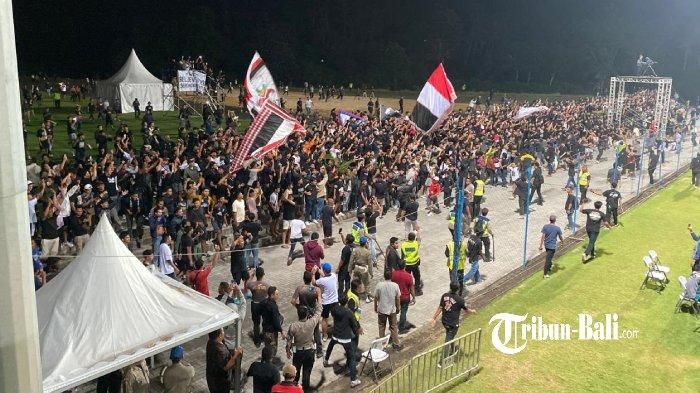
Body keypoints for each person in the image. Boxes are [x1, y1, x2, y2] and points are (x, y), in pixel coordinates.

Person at [430, 282, 476, 366]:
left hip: (444, 321)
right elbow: (466, 310)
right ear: (458, 289)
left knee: (450, 336)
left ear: (450, 287)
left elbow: (440, 308)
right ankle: (441, 362)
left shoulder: (444, 296)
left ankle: (453, 349)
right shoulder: (460, 300)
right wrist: (472, 311)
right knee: (448, 340)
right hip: (453, 324)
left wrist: (434, 318)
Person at [286, 288, 323, 390]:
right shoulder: (311, 323)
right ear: (307, 315)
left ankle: (294, 390)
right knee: (306, 375)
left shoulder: (293, 326)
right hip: (309, 352)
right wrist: (319, 296)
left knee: (295, 374)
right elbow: (319, 311)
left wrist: (287, 350)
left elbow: (289, 339)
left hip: (298, 352)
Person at [323, 293, 362, 388]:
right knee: (352, 358)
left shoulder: (334, 309)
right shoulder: (349, 312)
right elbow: (354, 325)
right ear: (347, 301)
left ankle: (326, 360)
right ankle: (353, 379)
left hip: (336, 334)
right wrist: (357, 331)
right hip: (345, 337)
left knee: (330, 346)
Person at [206, 328, 243, 393]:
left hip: (212, 376)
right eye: (223, 331)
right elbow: (225, 367)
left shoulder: (211, 342)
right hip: (219, 382)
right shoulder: (219, 350)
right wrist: (235, 356)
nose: (224, 332)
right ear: (219, 335)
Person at [374, 270, 402, 349]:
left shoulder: (379, 285)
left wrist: (375, 307)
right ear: (391, 276)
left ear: (384, 276)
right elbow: (397, 298)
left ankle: (382, 346)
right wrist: (398, 307)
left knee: (381, 327)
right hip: (392, 310)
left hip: (382, 309)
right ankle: (396, 343)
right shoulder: (395, 285)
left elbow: (375, 297)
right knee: (394, 327)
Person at [315, 262, 339, 341]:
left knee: (325, 319)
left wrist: (313, 274)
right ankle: (337, 332)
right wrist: (319, 270)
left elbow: (313, 282)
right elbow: (325, 275)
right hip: (335, 301)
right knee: (336, 317)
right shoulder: (333, 276)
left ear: (324, 270)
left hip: (326, 303)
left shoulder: (321, 281)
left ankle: (325, 335)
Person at [246, 267, 270, 347]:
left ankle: (257, 341)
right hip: (264, 305)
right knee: (265, 322)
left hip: (255, 305)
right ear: (263, 274)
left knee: (256, 323)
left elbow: (247, 283)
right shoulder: (267, 285)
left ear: (256, 275)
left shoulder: (252, 284)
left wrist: (252, 275)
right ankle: (263, 337)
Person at [261, 286, 285, 362]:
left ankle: (264, 362)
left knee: (267, 348)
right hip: (271, 333)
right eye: (277, 294)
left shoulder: (264, 302)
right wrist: (281, 331)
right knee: (272, 350)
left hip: (265, 330)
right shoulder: (273, 306)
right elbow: (276, 321)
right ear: (272, 295)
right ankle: (269, 364)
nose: (278, 295)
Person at [392, 261, 416, 334]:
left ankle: (393, 326)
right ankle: (401, 328)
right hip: (405, 297)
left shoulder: (393, 274)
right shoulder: (408, 276)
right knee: (403, 312)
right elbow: (411, 288)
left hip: (396, 296)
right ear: (404, 266)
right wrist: (414, 297)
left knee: (394, 312)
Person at [349, 236, 373, 302]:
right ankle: (368, 297)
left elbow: (351, 261)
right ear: (365, 243)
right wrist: (371, 273)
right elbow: (370, 264)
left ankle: (354, 296)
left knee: (356, 282)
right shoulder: (367, 252)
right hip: (364, 269)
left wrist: (349, 270)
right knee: (366, 283)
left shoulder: (355, 250)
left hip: (357, 268)